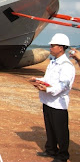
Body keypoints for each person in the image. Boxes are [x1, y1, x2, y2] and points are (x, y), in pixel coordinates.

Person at [30, 33, 75, 162]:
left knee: (60, 131)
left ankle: (62, 156)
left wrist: (48, 89)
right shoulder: (53, 63)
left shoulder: (66, 65)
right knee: (49, 128)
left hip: (58, 103)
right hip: (48, 101)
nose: (50, 48)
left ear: (61, 47)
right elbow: (48, 79)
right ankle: (51, 150)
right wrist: (37, 80)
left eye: (53, 45)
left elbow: (64, 85)